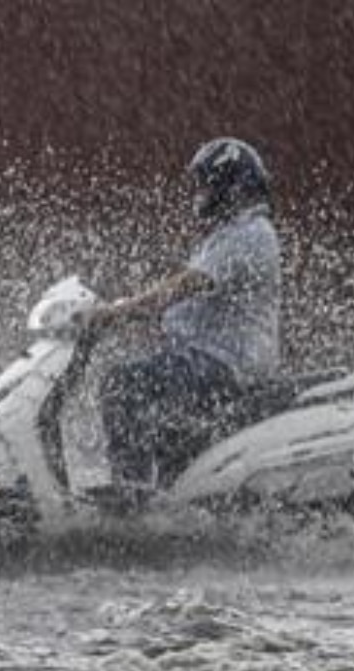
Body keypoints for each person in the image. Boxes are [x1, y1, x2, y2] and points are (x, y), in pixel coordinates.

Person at [95, 136, 282, 492]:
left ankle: (128, 495)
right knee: (169, 429)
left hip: (226, 364)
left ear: (230, 185)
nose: (200, 192)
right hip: (213, 359)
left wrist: (116, 312)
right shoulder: (229, 234)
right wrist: (133, 316)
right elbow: (189, 305)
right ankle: (167, 508)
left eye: (206, 183)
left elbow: (183, 287)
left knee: (123, 383)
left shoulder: (249, 235)